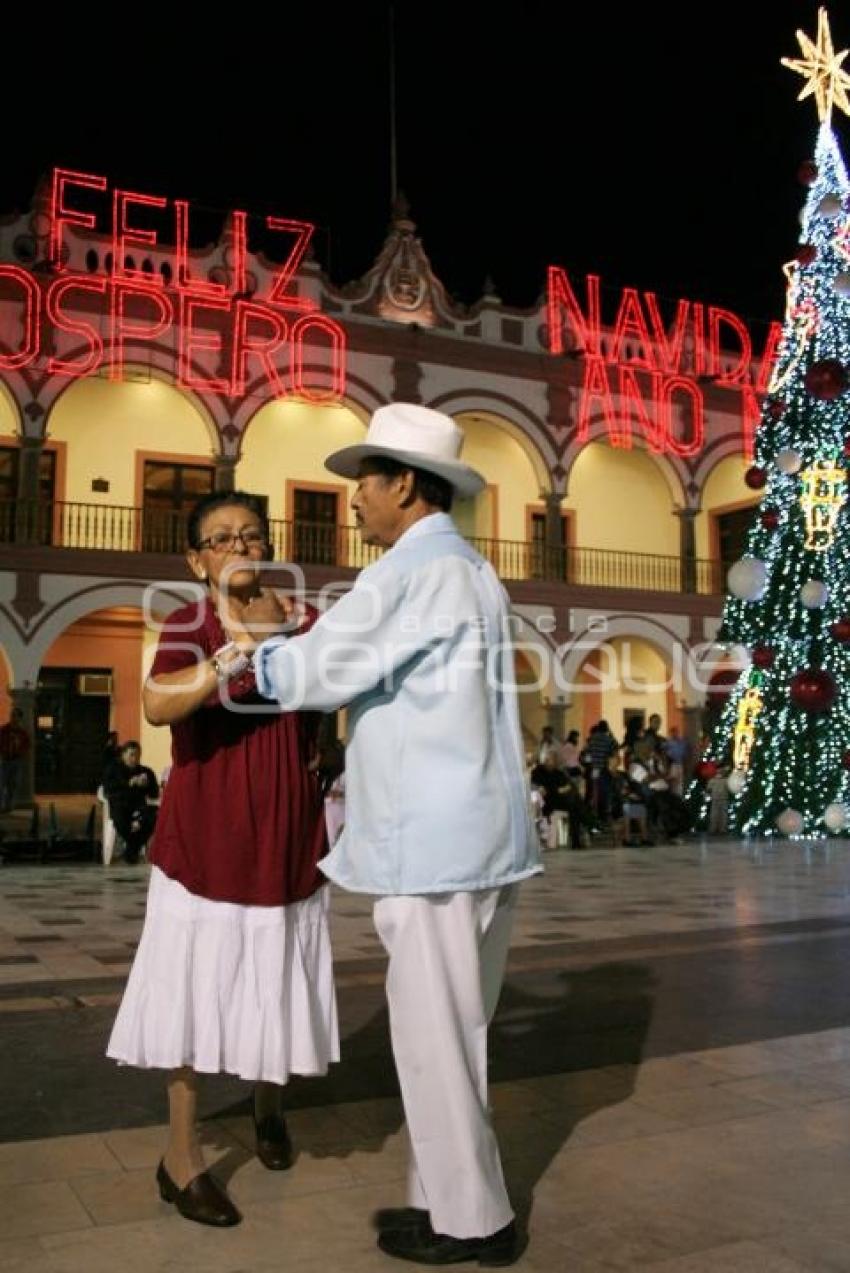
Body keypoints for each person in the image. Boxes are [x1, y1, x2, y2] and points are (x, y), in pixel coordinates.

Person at [238, 403, 541, 1266]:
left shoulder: (409, 571)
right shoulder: (471, 567)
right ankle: (448, 1200)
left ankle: (476, 1224)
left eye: (363, 482)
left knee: (433, 1037)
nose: (354, 501)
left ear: (404, 484)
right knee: (458, 1032)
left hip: (434, 845)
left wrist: (246, 653)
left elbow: (315, 670)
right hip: (480, 837)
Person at [106, 490, 338, 1229]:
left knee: (277, 978)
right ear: (196, 558)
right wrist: (233, 656)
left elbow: (331, 700)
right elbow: (158, 703)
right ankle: (181, 1157)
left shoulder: (307, 622)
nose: (238, 545)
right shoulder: (190, 624)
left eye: (250, 534)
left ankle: (269, 1107)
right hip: (206, 838)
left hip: (287, 833)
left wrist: (323, 749)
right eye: (221, 538)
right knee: (191, 991)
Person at [102, 740, 159, 864]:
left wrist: (147, 784)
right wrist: (129, 783)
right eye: (131, 755)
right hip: (120, 805)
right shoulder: (113, 770)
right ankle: (134, 847)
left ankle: (132, 847)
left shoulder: (146, 771)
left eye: (138, 755)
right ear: (123, 755)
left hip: (139, 807)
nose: (135, 758)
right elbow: (107, 789)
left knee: (155, 815)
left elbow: (154, 794)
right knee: (120, 818)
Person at [0, 708, 31, 812]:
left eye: (15, 716)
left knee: (13, 785)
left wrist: (21, 753)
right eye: (12, 715)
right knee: (2, 783)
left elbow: (27, 745)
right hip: (5, 760)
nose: (13, 718)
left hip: (17, 760)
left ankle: (9, 806)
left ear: (20, 718)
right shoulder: (4, 730)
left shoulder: (22, 732)